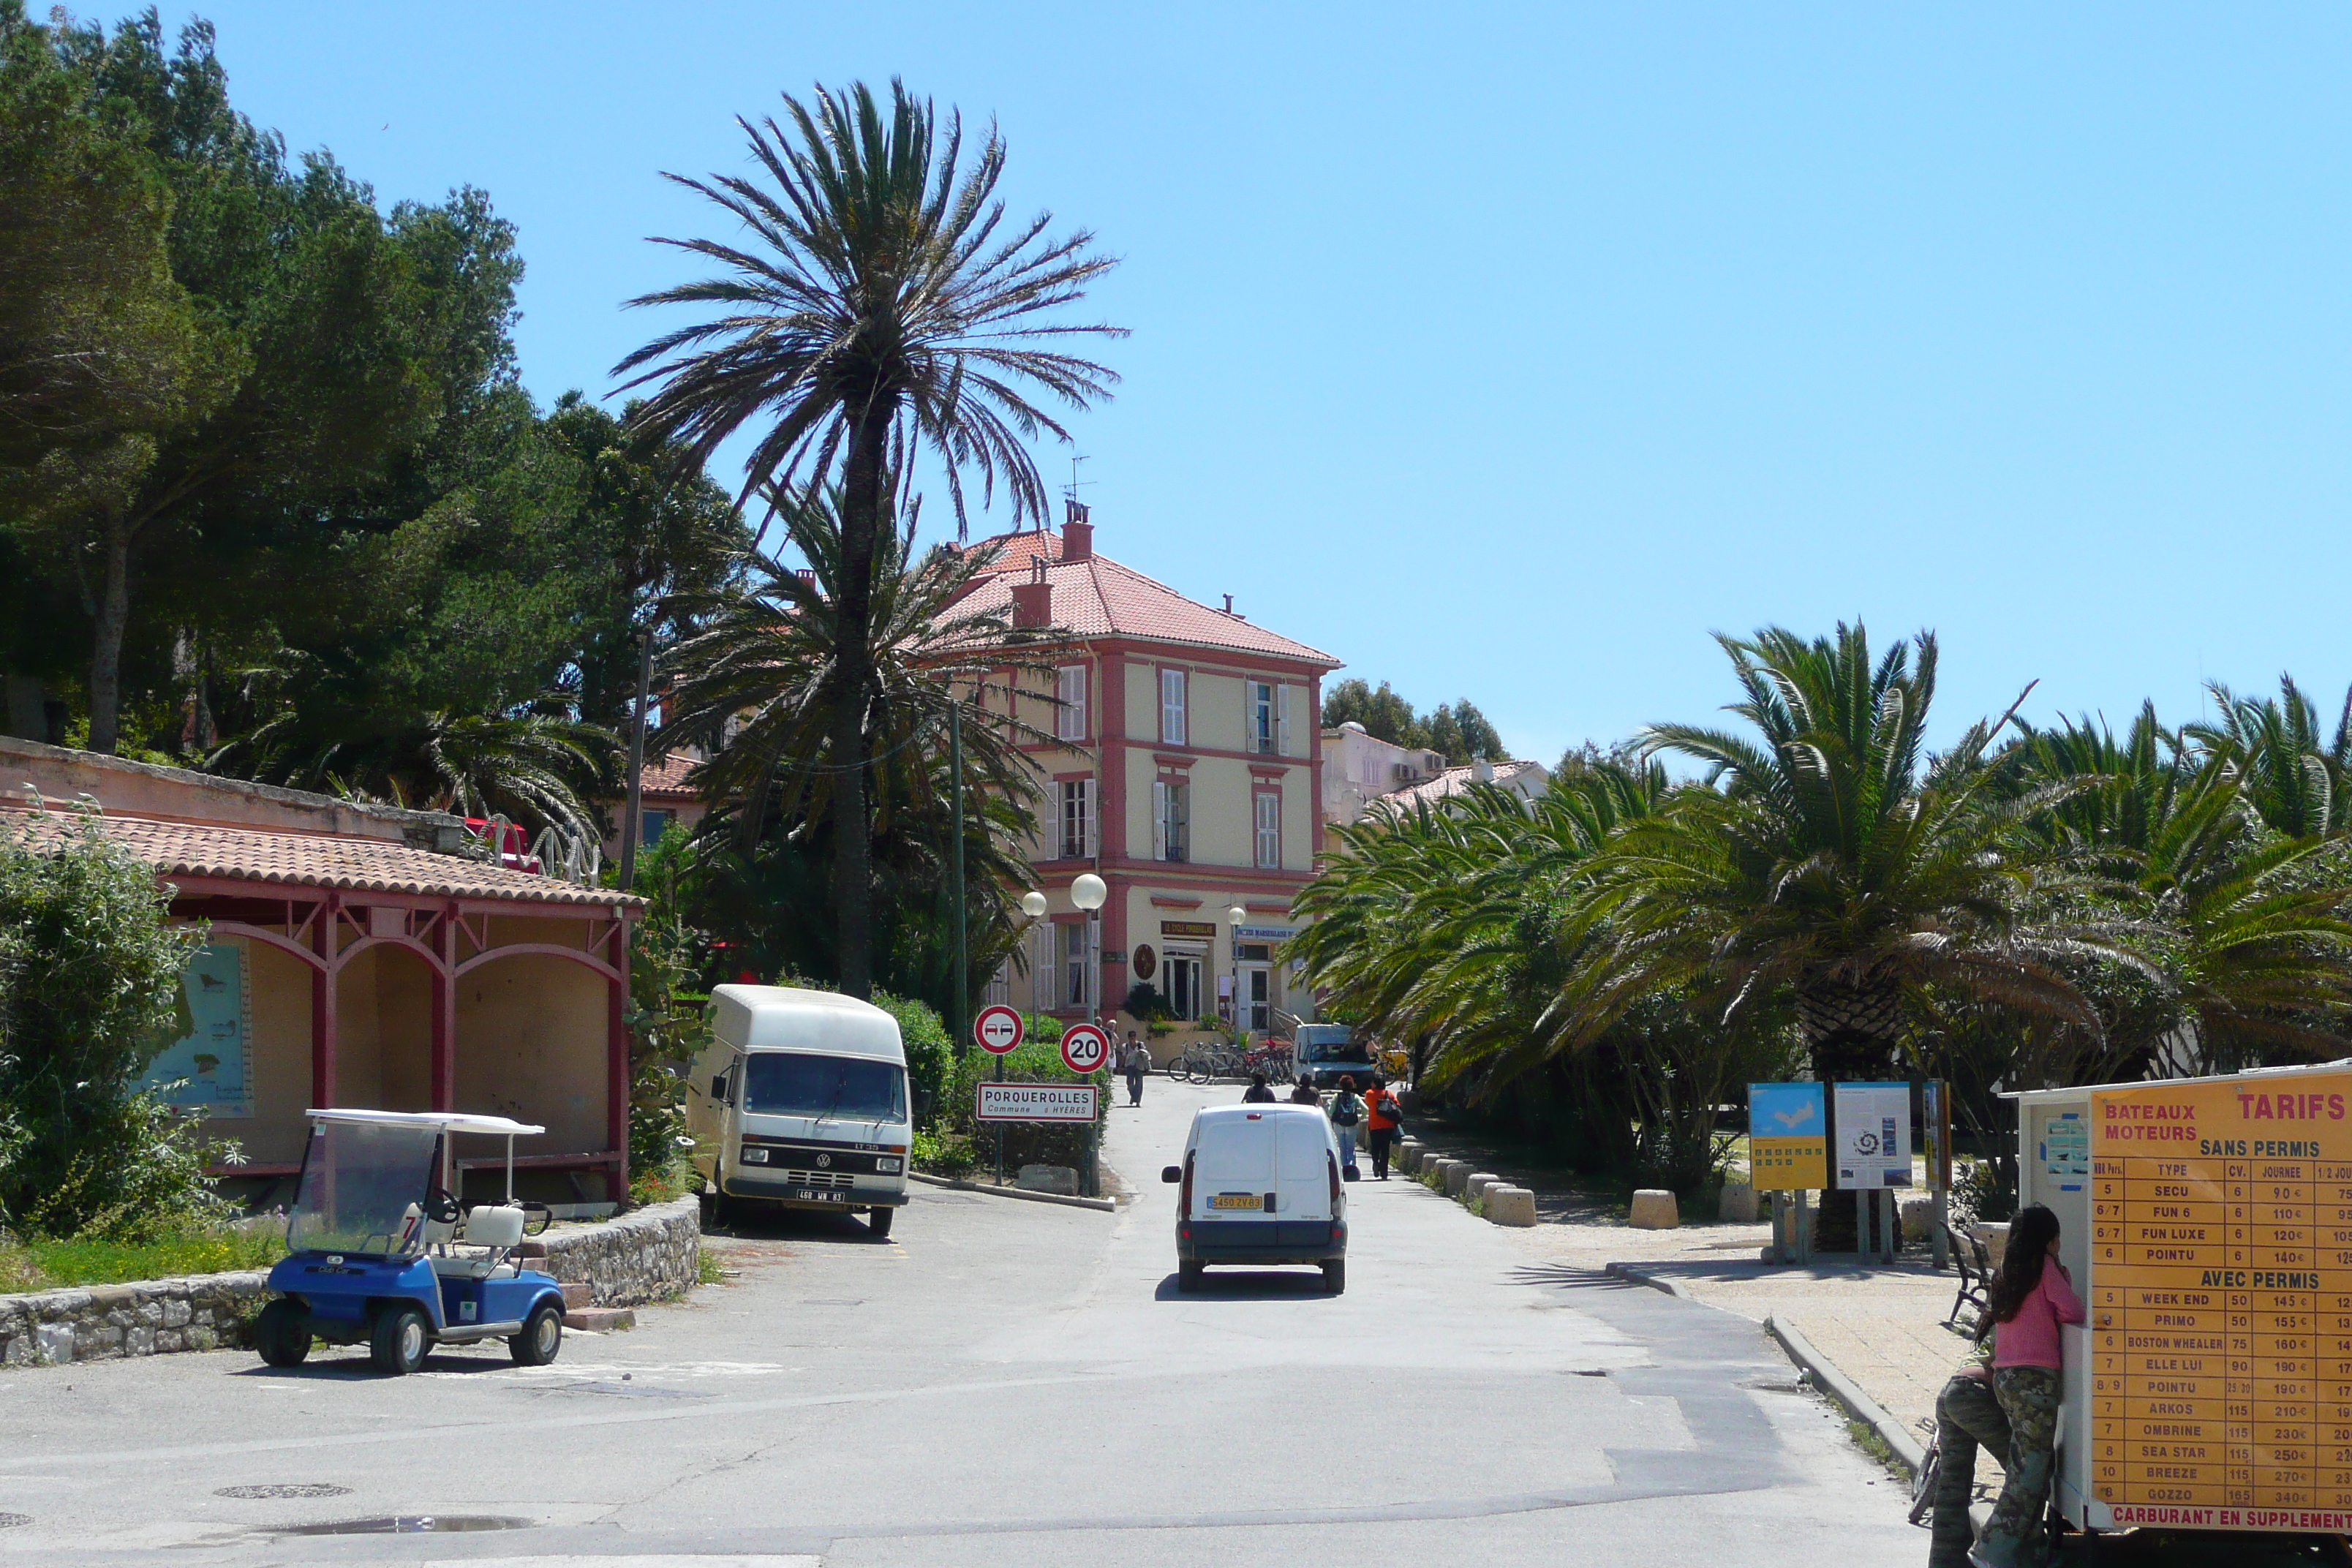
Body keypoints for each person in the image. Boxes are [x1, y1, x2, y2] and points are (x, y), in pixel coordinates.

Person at [1970, 1204, 2081, 1568]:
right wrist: (2061, 1273)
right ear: (2049, 1240)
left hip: (2006, 1378)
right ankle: (1991, 1549)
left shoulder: (2006, 1270)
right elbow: (2073, 1311)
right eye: (2057, 1238)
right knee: (2029, 1472)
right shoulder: (2045, 1268)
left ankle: (2030, 1552)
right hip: (2036, 1381)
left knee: (2034, 1466)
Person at [1928, 1352, 2013, 1568]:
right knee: (2025, 1475)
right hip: (1977, 1394)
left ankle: (1944, 1561)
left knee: (1951, 1486)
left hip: (1952, 1391)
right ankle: (1991, 1554)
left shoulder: (1997, 1322)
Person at [1362, 1077, 1401, 1180]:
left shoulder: (1369, 1093)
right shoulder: (1389, 1093)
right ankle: (1384, 1172)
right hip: (1388, 1125)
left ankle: (1375, 1163)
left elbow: (1368, 1103)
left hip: (1374, 1125)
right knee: (1385, 1149)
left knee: (1375, 1147)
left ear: (1375, 1083)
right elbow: (1397, 1105)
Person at [1327, 1074, 1365, 1175]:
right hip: (1352, 1124)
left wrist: (1331, 1118)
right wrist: (1361, 1118)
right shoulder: (1355, 1097)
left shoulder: (1337, 1096)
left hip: (1339, 1124)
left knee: (1342, 1148)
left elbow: (1331, 1111)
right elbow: (1366, 1109)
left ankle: (1344, 1170)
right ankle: (1352, 1168)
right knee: (1351, 1148)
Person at [1119, 1032, 1149, 1107]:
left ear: (1136, 1037)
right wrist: (1120, 1066)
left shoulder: (1140, 1045)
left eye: (1133, 1038)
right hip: (1129, 1066)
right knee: (1130, 1084)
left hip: (1139, 1066)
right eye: (1130, 1038)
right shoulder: (1125, 1046)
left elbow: (1145, 1055)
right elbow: (1124, 1056)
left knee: (1139, 1084)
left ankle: (1138, 1101)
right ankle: (1133, 1097)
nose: (1132, 1039)